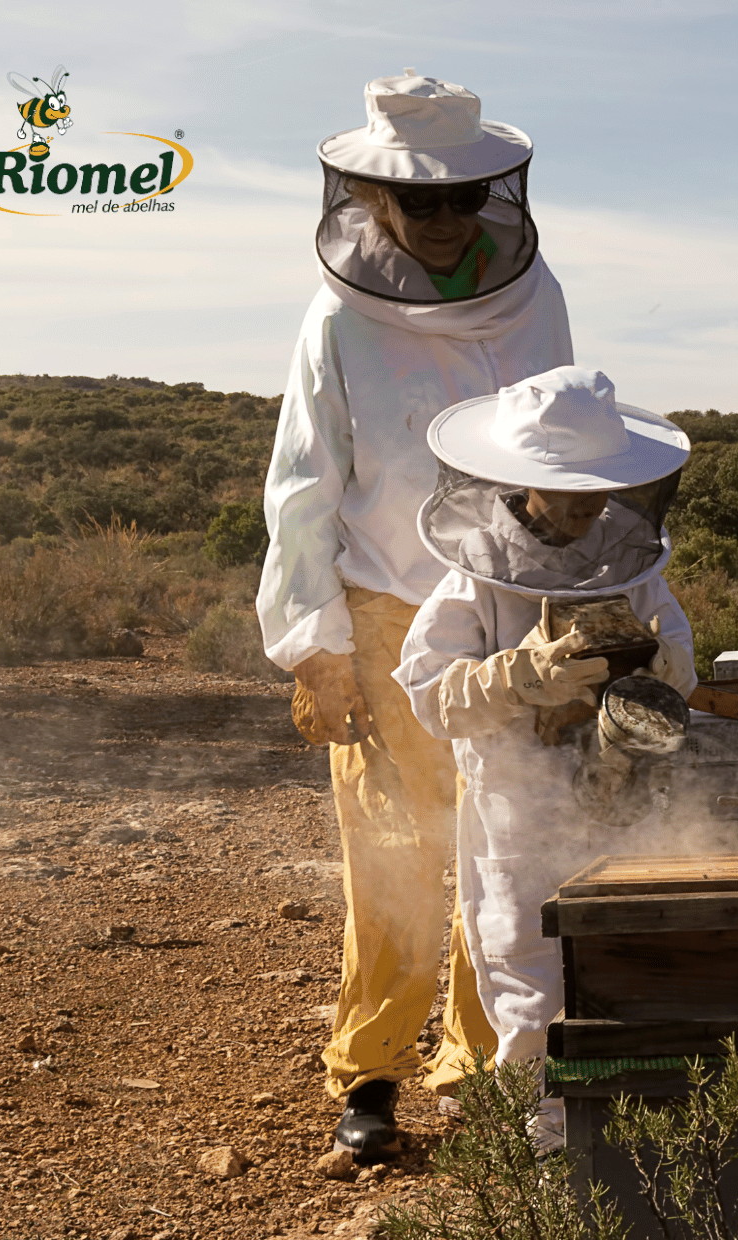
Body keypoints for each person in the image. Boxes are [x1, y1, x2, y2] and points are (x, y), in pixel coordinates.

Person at [256, 68, 574, 1159]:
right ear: (371, 200)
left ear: (494, 193)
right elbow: (302, 482)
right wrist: (315, 646)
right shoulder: (337, 316)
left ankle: (487, 1074)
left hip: (507, 602)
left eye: (461, 197)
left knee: (504, 843)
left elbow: (562, 451)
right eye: (418, 201)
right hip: (384, 605)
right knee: (391, 852)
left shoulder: (538, 295)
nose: (442, 220)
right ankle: (371, 1082)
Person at [393, 365, 697, 1151]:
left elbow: (681, 662)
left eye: (596, 489)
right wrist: (522, 673)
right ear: (520, 483)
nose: (586, 507)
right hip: (518, 804)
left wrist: (654, 666)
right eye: (565, 491)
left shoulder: (627, 557)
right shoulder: (473, 576)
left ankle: (626, 1135)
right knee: (530, 971)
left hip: (625, 790)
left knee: (630, 958)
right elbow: (431, 697)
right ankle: (554, 1147)